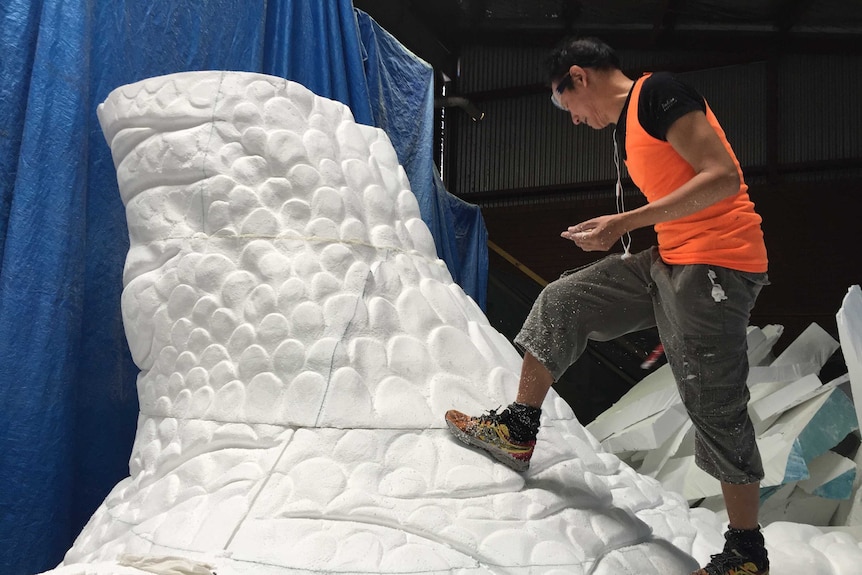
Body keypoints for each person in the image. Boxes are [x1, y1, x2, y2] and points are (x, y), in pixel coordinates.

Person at [445, 37, 770, 575]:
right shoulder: (628, 128)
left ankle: (745, 552)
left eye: (562, 102)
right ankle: (520, 428)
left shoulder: (659, 95)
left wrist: (623, 223)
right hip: (668, 257)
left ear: (579, 77)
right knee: (564, 300)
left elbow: (722, 179)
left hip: (717, 266)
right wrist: (623, 228)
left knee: (712, 399)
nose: (571, 119)